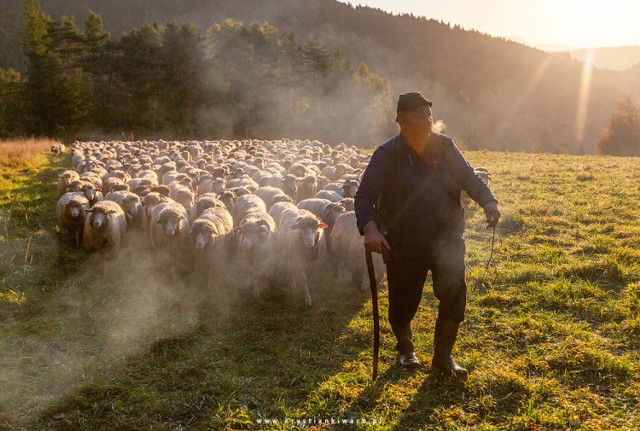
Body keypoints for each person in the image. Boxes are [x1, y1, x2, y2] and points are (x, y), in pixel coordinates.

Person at [354, 92, 500, 377]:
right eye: (419, 117)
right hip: (403, 241)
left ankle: (442, 358)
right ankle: (405, 349)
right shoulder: (387, 154)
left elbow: (469, 177)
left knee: (454, 294)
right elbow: (364, 196)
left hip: (446, 238)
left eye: (428, 116)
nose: (426, 122)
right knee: (402, 300)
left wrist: (489, 201)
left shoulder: (446, 147)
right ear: (402, 122)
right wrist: (370, 228)